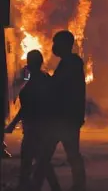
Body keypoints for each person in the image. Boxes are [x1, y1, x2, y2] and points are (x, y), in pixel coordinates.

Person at [31, 31, 86, 191]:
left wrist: (46, 79)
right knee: (57, 154)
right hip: (64, 118)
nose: (54, 46)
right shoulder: (68, 63)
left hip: (64, 119)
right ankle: (74, 185)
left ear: (65, 44)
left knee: (49, 154)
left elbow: (61, 87)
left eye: (56, 42)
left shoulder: (71, 63)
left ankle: (75, 185)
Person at [5, 50, 60, 191]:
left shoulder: (35, 82)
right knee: (41, 160)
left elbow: (27, 107)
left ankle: (26, 185)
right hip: (43, 127)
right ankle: (46, 186)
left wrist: (12, 124)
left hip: (34, 128)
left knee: (30, 159)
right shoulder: (45, 78)